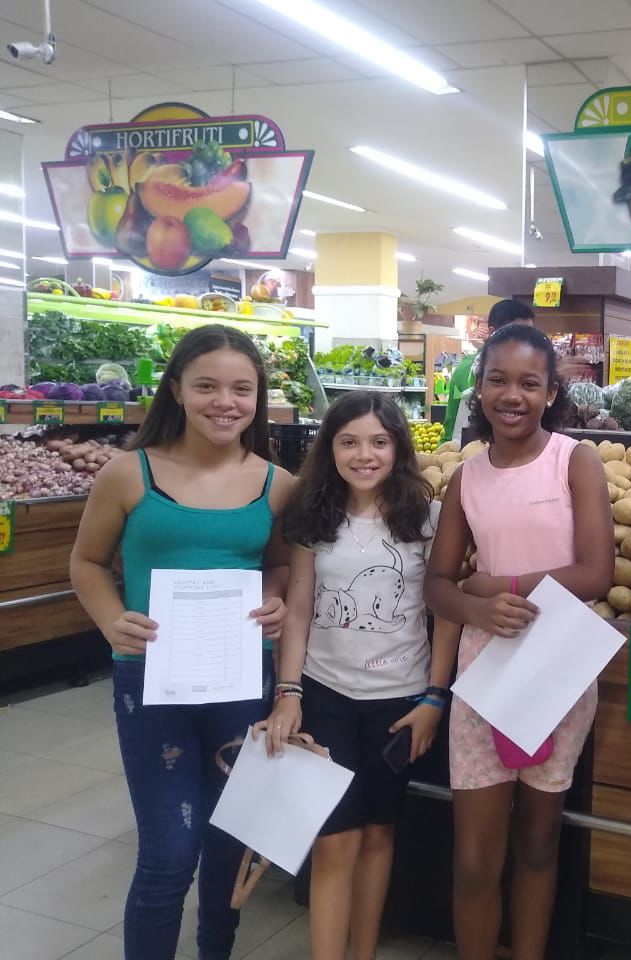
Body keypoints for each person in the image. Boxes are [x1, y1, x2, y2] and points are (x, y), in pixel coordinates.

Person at [69, 324, 294, 960]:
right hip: (150, 681)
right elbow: (86, 562)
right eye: (207, 386)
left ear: (257, 397)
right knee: (169, 852)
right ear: (176, 390)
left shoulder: (277, 483)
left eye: (241, 389)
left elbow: (280, 564)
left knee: (228, 842)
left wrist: (273, 598)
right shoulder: (128, 474)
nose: (225, 402)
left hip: (241, 679)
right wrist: (111, 619)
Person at [424, 323, 613, 960]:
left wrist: (501, 585)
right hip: (485, 673)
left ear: (551, 392)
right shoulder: (467, 479)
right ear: (477, 388)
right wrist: (477, 606)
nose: (513, 396)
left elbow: (597, 572)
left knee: (538, 843)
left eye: (530, 383)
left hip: (559, 670)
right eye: (498, 380)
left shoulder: (575, 460)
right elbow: (437, 586)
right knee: (475, 857)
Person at [253, 391, 461, 960]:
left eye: (378, 442)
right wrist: (288, 692)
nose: (364, 455)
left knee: (378, 833)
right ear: (330, 448)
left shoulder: (427, 519)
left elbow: (445, 613)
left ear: (397, 448)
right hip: (326, 696)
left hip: (401, 702)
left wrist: (434, 698)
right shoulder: (313, 518)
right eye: (348, 442)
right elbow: (299, 608)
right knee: (334, 838)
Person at [442, 298, 537, 442]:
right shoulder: (465, 370)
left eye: (530, 336)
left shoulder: (535, 373)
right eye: (516, 336)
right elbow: (451, 425)